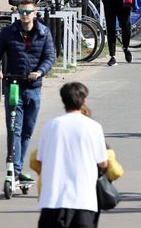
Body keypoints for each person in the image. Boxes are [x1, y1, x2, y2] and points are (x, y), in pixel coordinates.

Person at [0, 0, 56, 183]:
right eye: (22, 12)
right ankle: (14, 169)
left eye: (28, 12)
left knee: (27, 130)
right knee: (14, 128)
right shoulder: (8, 32)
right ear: (17, 13)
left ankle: (18, 167)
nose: (25, 15)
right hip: (14, 86)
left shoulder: (44, 33)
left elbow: (50, 56)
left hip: (33, 88)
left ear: (35, 13)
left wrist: (40, 71)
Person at [35, 82, 107, 228]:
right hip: (83, 199)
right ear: (84, 101)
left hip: (52, 199)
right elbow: (103, 163)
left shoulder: (51, 125)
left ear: (63, 100)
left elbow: (40, 160)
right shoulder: (93, 127)